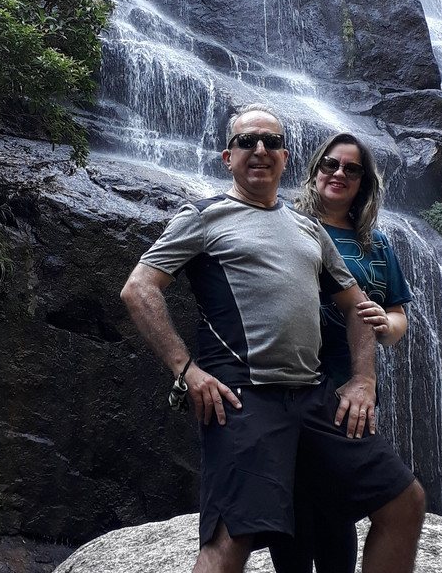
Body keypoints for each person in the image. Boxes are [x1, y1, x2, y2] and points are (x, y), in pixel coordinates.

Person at [120, 105, 424, 573]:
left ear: (284, 156)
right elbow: (139, 288)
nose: (258, 150)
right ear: (227, 157)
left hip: (314, 393)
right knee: (229, 542)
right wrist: (186, 370)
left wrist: (363, 379)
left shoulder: (309, 228)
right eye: (246, 142)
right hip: (244, 395)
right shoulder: (203, 216)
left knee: (405, 501)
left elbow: (358, 308)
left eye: (269, 142)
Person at [270, 132, 424, 573]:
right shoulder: (285, 224)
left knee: (337, 509)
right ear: (315, 170)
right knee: (298, 510)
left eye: (351, 169)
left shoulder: (378, 247)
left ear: (363, 184)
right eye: (330, 165)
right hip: (291, 386)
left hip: (350, 390)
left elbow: (397, 322)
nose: (338, 174)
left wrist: (383, 321)